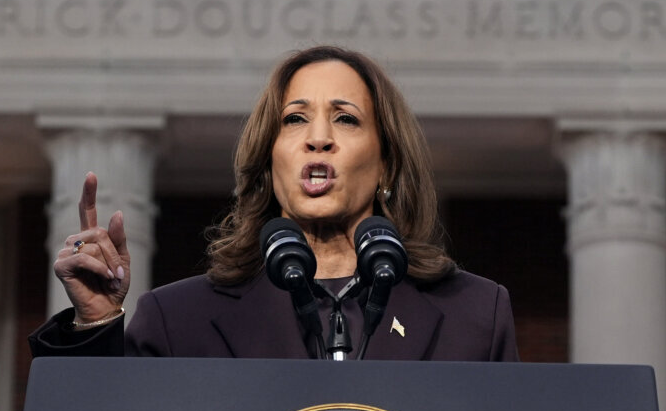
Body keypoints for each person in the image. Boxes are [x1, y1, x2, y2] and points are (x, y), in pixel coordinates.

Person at [30, 46, 517, 361]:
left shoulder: (474, 315)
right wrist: (94, 324)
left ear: (387, 162)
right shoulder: (179, 321)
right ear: (269, 160)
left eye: (345, 119)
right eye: (294, 120)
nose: (318, 138)